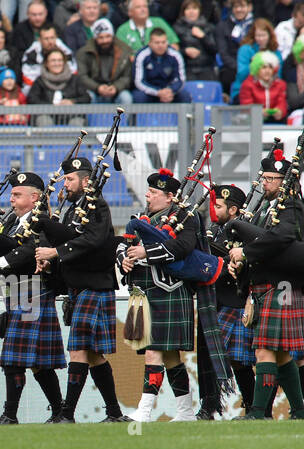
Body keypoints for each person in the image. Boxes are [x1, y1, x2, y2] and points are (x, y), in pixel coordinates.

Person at [31, 156, 132, 423]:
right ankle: (114, 413)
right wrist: (48, 248)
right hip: (81, 287)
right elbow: (70, 237)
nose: (66, 183)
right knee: (93, 354)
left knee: (78, 350)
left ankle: (67, 414)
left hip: (94, 285)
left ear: (86, 181)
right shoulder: (74, 210)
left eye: (70, 178)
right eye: (65, 178)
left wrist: (55, 251)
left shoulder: (96, 205)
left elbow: (94, 240)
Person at [224, 145, 304, 420]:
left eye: (269, 179)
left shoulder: (292, 206)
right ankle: (299, 411)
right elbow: (262, 239)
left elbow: (280, 239)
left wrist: (246, 253)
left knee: (265, 349)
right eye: (263, 178)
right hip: (267, 284)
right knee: (282, 353)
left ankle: (258, 413)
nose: (264, 183)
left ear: (284, 181)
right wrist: (240, 262)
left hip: (282, 284)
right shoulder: (269, 207)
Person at [117, 170, 207, 422]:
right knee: (169, 356)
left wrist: (146, 252)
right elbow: (123, 245)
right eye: (148, 191)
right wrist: (124, 259)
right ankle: (186, 411)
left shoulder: (187, 219)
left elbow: (183, 248)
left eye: (154, 192)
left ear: (170, 198)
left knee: (153, 352)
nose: (147, 195)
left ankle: (144, 412)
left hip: (170, 292)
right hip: (145, 294)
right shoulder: (141, 219)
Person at [0, 171, 68, 423]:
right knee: (37, 363)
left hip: (35, 293)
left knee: (18, 361)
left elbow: (30, 251)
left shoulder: (44, 221)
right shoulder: (11, 223)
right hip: (16, 294)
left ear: (35, 198)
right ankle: (58, 411)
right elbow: (4, 255)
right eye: (11, 195)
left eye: (17, 195)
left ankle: (11, 415)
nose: (11, 199)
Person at [208, 184, 257, 415]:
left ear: (233, 209)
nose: (213, 210)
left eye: (218, 206)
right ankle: (246, 405)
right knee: (230, 358)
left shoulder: (244, 230)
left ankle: (255, 406)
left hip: (238, 301)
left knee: (243, 360)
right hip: (222, 301)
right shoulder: (216, 229)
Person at [76, 17, 134, 106]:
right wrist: (97, 87)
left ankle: (121, 120)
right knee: (88, 96)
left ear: (112, 36)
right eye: (101, 37)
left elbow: (127, 76)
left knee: (126, 98)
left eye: (108, 36)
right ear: (95, 38)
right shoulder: (83, 52)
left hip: (116, 90)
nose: (105, 40)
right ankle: (92, 120)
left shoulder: (124, 51)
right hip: (94, 90)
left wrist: (116, 87)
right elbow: (82, 76)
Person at [239, 50, 288, 122]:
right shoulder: (247, 84)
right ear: (257, 69)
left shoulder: (281, 84)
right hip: (253, 121)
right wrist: (259, 112)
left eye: (270, 68)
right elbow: (246, 105)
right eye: (264, 67)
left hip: (275, 121)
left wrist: (280, 111)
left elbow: (282, 102)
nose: (267, 71)